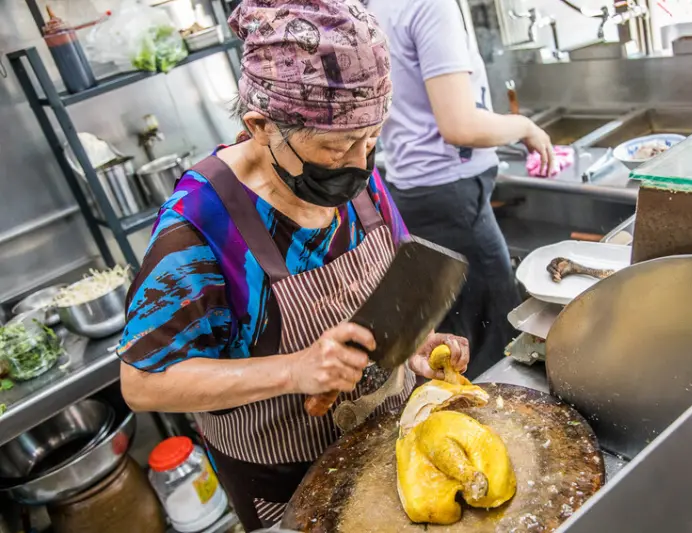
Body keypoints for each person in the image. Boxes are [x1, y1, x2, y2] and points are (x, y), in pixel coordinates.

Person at [116, 1, 469, 530]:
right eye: (336, 145)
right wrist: (295, 369)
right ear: (261, 125)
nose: (359, 162)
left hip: (395, 451)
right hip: (291, 488)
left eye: (370, 137)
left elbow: (387, 294)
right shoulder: (200, 229)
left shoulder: (358, 179)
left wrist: (415, 342)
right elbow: (143, 383)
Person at [367, 0, 555, 378]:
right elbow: (459, 125)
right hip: (450, 195)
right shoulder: (431, 5)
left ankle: (458, 430)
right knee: (500, 340)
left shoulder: (375, 7)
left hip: (412, 193)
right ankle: (504, 429)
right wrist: (525, 127)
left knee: (452, 340)